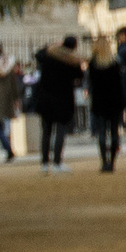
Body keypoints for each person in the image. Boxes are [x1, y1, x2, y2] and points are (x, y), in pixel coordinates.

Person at [32, 34, 84, 173]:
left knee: (46, 131)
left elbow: (38, 54)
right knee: (61, 131)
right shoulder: (72, 61)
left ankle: (44, 163)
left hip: (46, 97)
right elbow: (79, 76)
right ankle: (57, 162)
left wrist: (52, 45)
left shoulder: (49, 56)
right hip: (63, 98)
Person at [87, 37, 126, 173]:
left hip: (100, 101)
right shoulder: (115, 64)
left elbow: (91, 85)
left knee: (101, 132)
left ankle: (104, 162)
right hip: (114, 101)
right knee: (114, 132)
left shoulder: (93, 64)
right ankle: (111, 162)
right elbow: (120, 84)